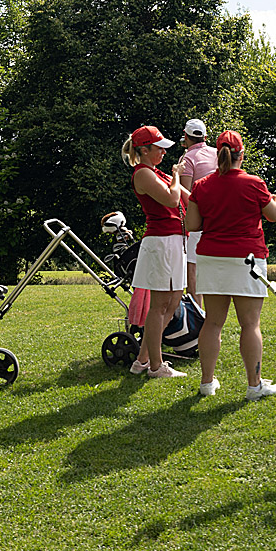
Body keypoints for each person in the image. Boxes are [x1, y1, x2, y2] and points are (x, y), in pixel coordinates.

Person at [184, 130, 276, 401]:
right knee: (250, 324)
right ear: (242, 155)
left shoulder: (202, 185)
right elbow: (275, 216)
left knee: (213, 323)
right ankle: (254, 385)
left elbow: (192, 224)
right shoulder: (254, 183)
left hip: (211, 257)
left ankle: (207, 383)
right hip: (247, 258)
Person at [121, 125, 190, 379]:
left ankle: (142, 360)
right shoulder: (142, 174)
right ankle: (155, 365)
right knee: (160, 305)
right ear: (144, 150)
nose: (162, 152)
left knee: (171, 303)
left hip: (173, 241)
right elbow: (172, 199)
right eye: (158, 148)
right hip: (161, 242)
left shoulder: (156, 172)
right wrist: (177, 177)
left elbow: (188, 198)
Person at [178, 118, 219, 307]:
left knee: (193, 268)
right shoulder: (218, 153)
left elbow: (185, 195)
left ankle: (196, 312)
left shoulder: (187, 159)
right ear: (205, 136)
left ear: (185, 136)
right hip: (221, 218)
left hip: (199, 220)